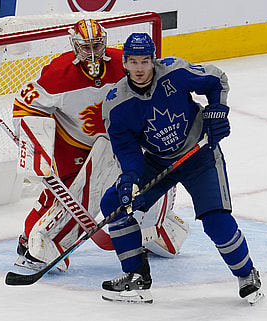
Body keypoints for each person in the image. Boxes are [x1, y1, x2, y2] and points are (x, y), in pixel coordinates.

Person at [12, 20, 189, 272]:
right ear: (75, 45)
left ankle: (155, 227)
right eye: (86, 46)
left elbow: (158, 90)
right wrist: (33, 143)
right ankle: (36, 237)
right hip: (74, 144)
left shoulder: (124, 64)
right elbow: (25, 106)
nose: (93, 53)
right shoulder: (57, 73)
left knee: (155, 170)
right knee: (67, 194)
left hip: (122, 139)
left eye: (97, 45)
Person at [100, 32, 263, 304]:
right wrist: (129, 176)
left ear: (154, 61)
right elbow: (126, 149)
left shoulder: (174, 72)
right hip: (156, 160)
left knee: (216, 220)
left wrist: (217, 111)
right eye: (133, 62)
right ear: (124, 64)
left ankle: (246, 274)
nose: (139, 68)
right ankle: (136, 277)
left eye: (145, 61)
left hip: (199, 153)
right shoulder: (116, 104)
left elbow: (216, 79)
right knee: (115, 204)